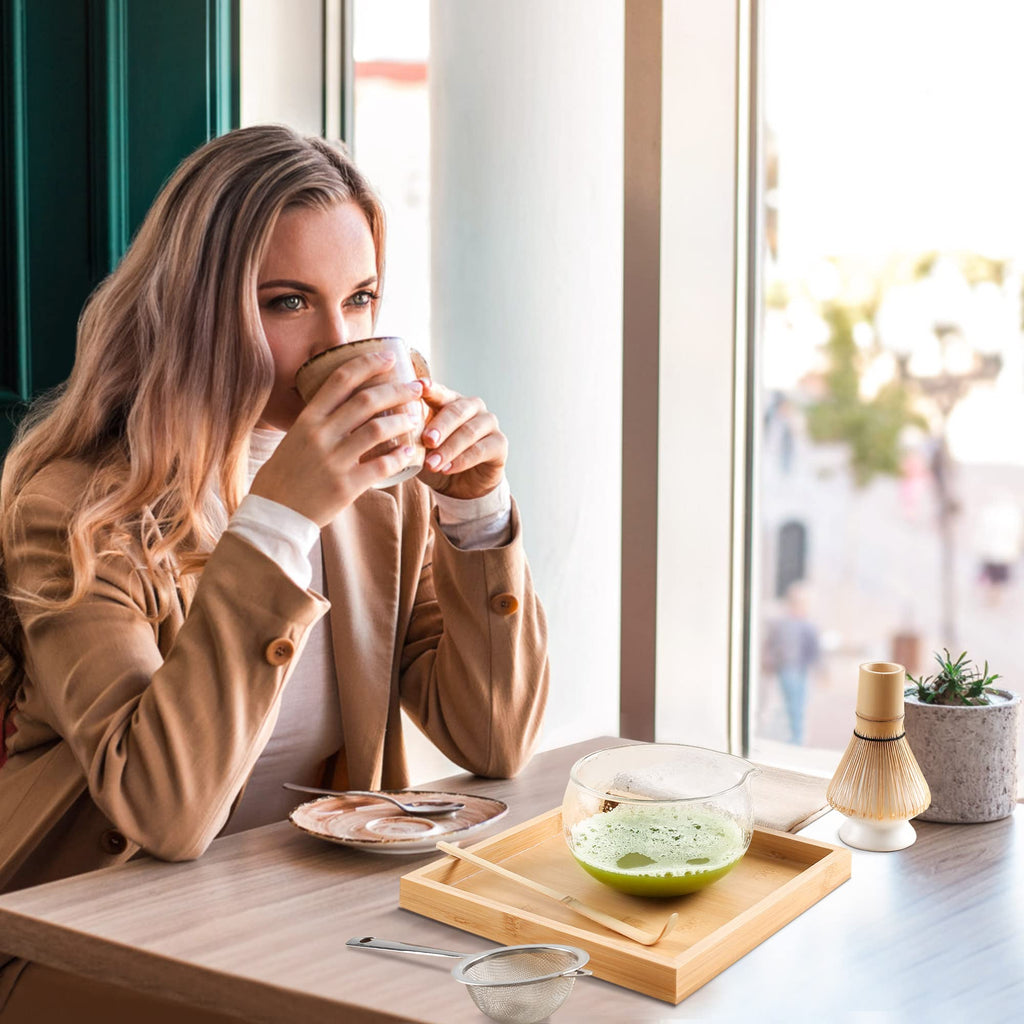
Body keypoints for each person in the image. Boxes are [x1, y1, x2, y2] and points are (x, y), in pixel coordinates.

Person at [0, 125, 549, 1018]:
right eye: (288, 302)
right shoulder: (74, 507)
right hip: (82, 931)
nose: (340, 341)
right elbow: (164, 811)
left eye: (362, 298)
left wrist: (475, 513)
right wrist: (281, 516)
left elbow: (492, 738)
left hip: (292, 913)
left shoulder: (381, 496)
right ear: (197, 309)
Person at [762, 582, 819, 745]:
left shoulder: (807, 625)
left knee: (799, 704)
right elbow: (771, 644)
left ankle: (797, 737)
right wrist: (768, 662)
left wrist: (820, 669)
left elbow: (813, 649)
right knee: (791, 704)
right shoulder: (782, 623)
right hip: (787, 669)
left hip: (802, 670)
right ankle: (794, 738)